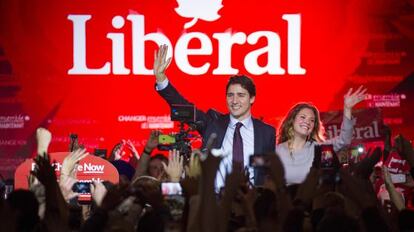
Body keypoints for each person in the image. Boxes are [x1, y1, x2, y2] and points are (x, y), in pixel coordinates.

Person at [153, 44, 276, 189]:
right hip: (215, 203)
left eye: (241, 95)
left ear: (252, 98)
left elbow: (269, 173)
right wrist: (161, 78)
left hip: (252, 204)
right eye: (230, 95)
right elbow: (181, 104)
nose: (234, 101)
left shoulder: (266, 132)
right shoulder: (213, 123)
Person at [276, 86, 367, 185]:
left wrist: (347, 109)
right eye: (303, 117)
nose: (307, 122)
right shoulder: (277, 150)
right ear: (291, 120)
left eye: (312, 120)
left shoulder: (319, 149)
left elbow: (344, 140)